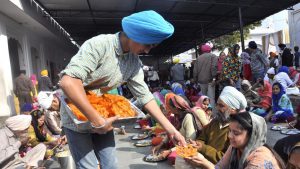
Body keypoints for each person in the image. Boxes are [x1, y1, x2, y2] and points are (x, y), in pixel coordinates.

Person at [58, 10, 186, 169]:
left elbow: (145, 96)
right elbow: (68, 82)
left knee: (110, 165)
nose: (147, 51)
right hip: (77, 118)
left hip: (104, 115)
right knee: (88, 167)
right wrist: (97, 120)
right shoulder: (100, 45)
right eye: (147, 45)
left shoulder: (133, 62)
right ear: (135, 34)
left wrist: (172, 130)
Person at [185, 112, 285, 169]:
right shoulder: (235, 147)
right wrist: (202, 162)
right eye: (230, 131)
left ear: (252, 135)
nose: (230, 136)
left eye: (236, 133)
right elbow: (220, 167)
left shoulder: (260, 159)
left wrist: (204, 163)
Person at [188, 86, 247, 164]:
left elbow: (226, 159)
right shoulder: (215, 121)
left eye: (221, 106)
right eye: (217, 104)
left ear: (233, 109)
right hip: (203, 159)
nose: (217, 108)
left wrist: (203, 148)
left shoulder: (237, 131)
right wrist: (198, 144)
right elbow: (202, 137)